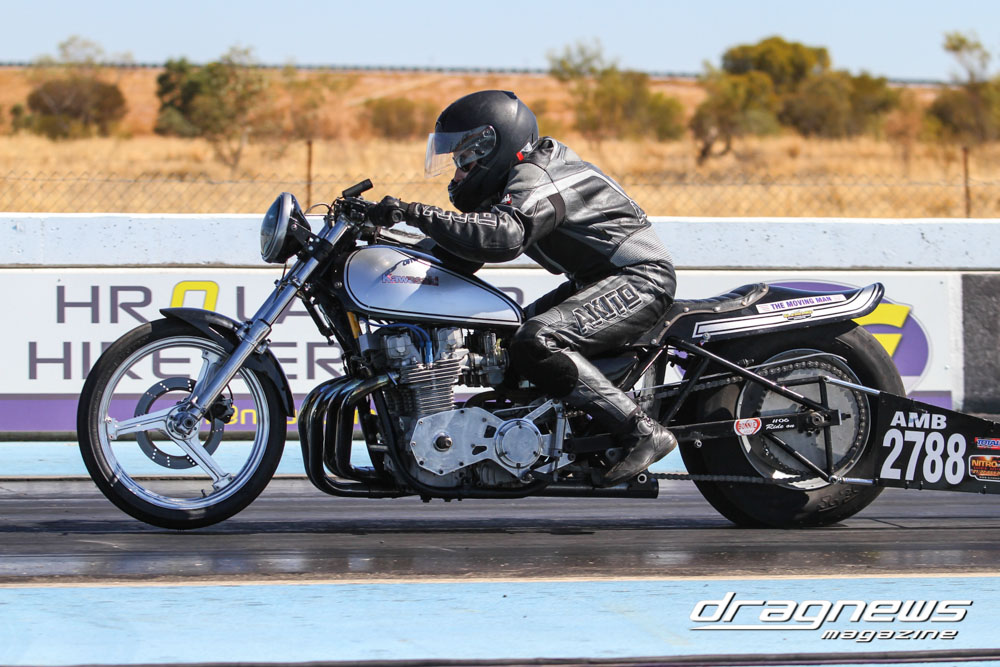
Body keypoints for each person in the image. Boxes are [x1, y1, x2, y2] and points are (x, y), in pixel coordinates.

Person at [368, 90, 677, 487]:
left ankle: (642, 431)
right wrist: (378, 240)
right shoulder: (513, 184)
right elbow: (458, 255)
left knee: (537, 341)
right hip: (597, 281)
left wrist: (415, 213)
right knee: (506, 344)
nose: (457, 174)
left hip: (641, 278)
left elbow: (505, 237)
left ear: (494, 144)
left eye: (464, 159)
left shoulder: (539, 173)